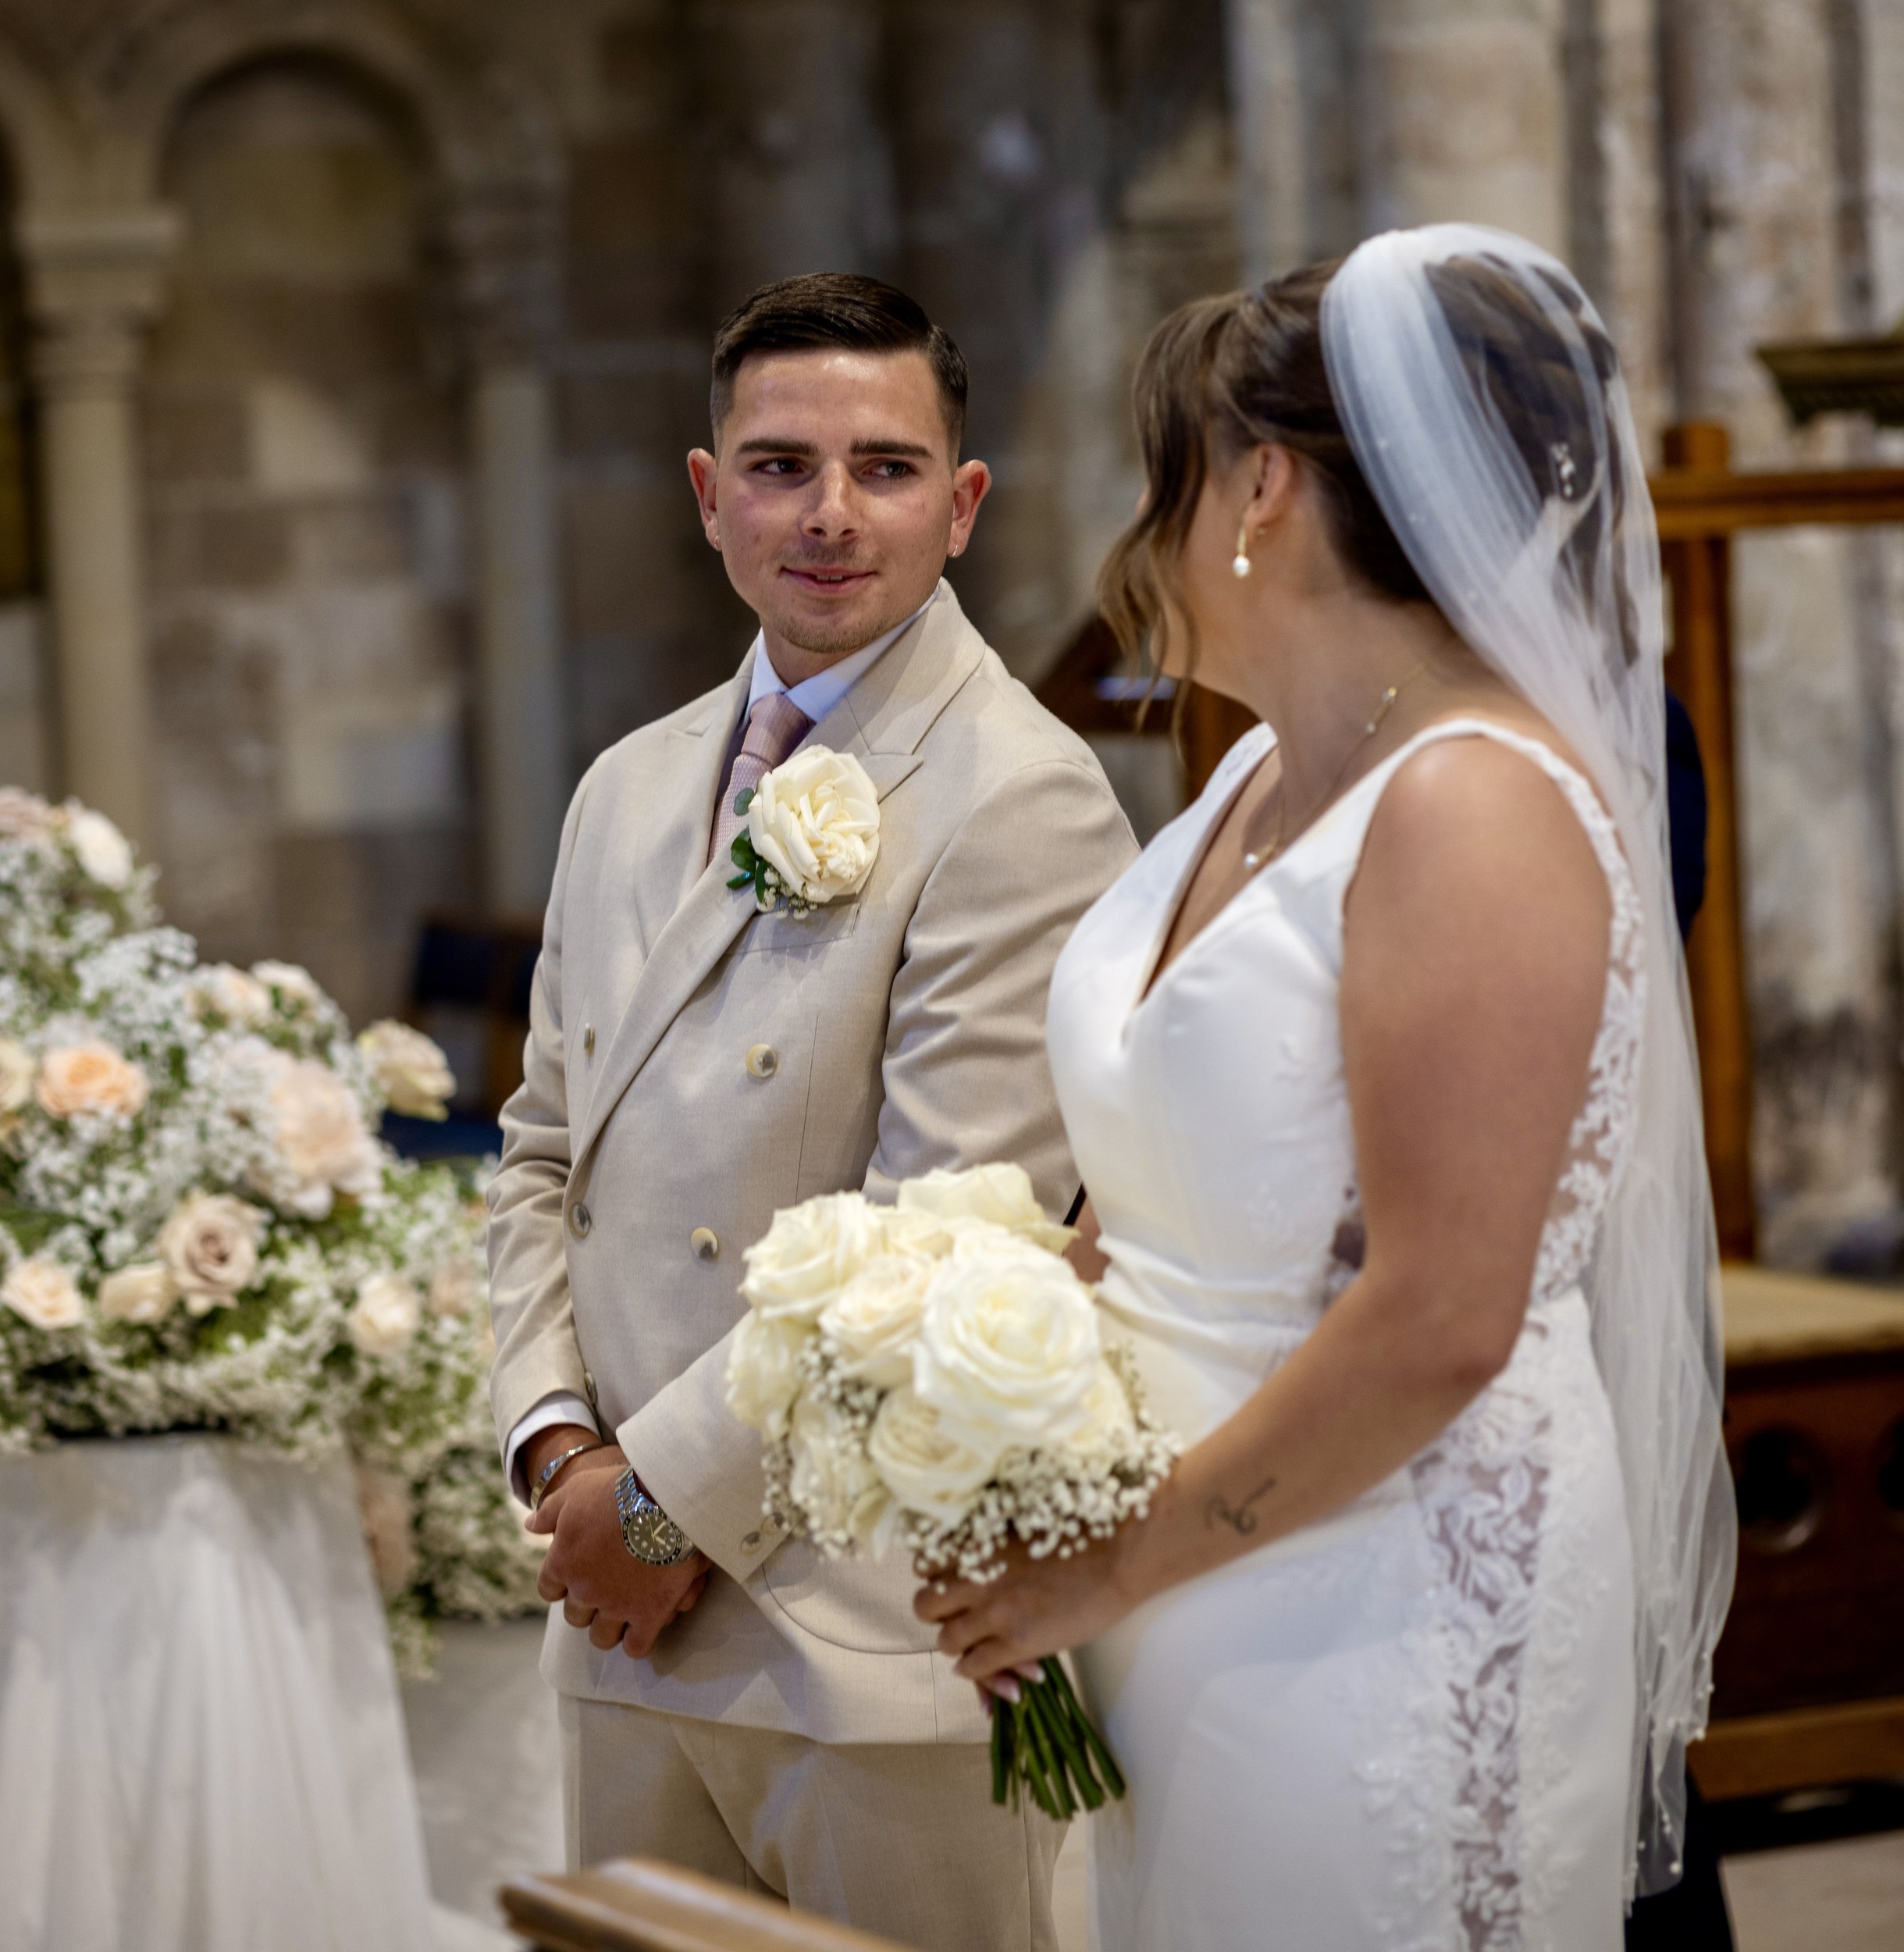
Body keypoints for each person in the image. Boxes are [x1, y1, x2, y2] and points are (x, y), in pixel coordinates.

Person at [918, 226, 1737, 1948]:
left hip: (1380, 1591)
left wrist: (1109, 1559)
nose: (1139, 537)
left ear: (1261, 487)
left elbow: (1440, 1309)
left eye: (1167, 478)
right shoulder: (1257, 782)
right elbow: (1148, 1178)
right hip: (1175, 1569)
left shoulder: (1470, 804)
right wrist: (992, 1419)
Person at [485, 272, 1135, 1952]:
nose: (829, 512)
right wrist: (555, 1446)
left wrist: (650, 1507)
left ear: (962, 503)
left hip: (866, 1637)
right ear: (708, 497)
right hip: (625, 1627)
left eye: (886, 466)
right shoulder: (625, 782)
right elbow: (541, 1154)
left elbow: (932, 1239)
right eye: (777, 465)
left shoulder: (1021, 789)